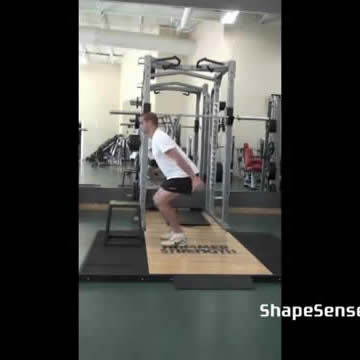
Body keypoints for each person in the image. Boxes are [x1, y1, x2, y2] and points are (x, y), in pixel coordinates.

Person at [140, 112, 205, 246]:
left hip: (183, 175)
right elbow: (166, 161)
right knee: (158, 199)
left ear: (149, 122)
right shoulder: (156, 138)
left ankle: (179, 234)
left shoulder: (160, 137)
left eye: (142, 123)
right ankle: (174, 231)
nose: (140, 126)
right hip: (175, 175)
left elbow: (178, 158)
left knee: (160, 200)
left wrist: (194, 178)